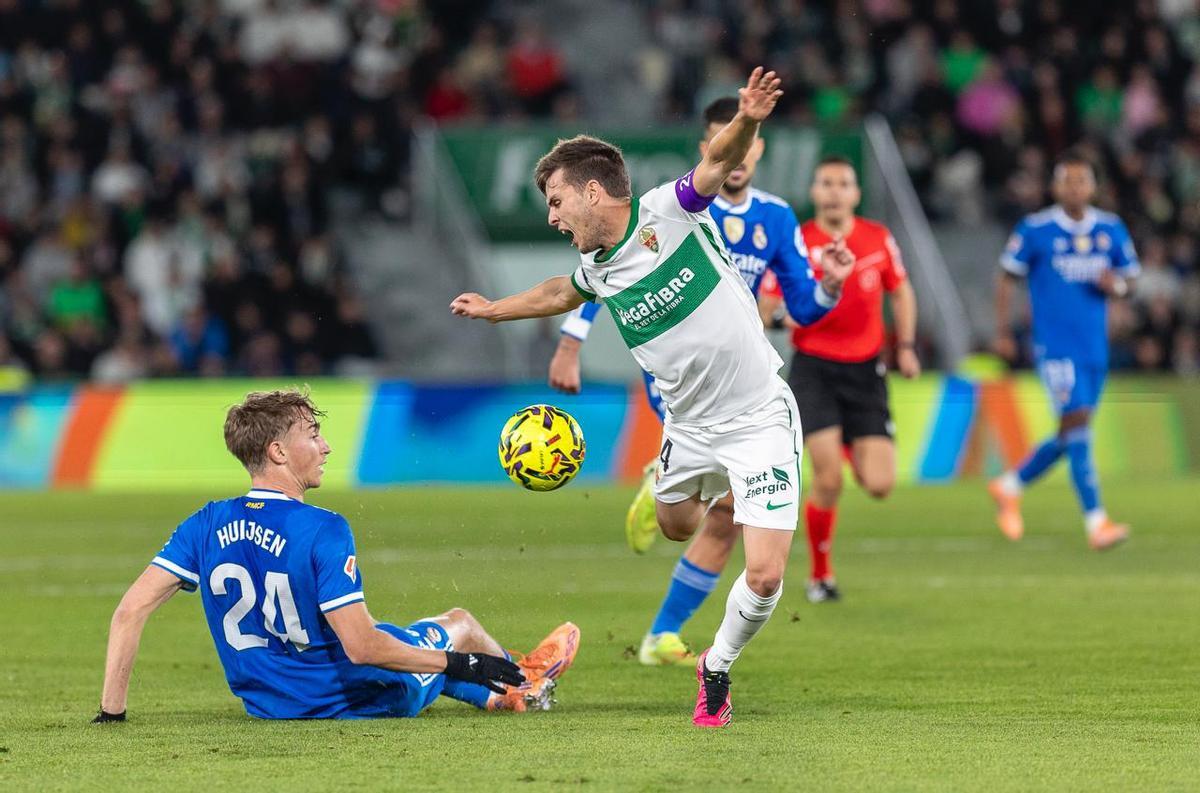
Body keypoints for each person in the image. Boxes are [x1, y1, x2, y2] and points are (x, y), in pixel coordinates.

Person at [451, 67, 853, 728]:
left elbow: (717, 160)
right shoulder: (599, 267)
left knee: (764, 576)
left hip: (758, 418)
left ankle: (716, 666)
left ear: (591, 191)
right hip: (688, 428)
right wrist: (495, 309)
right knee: (675, 526)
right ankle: (670, 485)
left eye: (556, 200)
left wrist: (748, 118)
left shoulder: (669, 209)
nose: (552, 217)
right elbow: (559, 291)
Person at [546, 96, 838, 667]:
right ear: (710, 148)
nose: (737, 153)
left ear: (758, 149)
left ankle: (663, 632)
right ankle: (668, 489)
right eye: (724, 140)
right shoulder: (681, 205)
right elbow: (603, 271)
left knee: (725, 520)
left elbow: (801, 306)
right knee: (726, 513)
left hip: (739, 381)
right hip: (685, 387)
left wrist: (829, 289)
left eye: (746, 141)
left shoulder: (776, 218)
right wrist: (571, 341)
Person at [93, 389, 579, 722]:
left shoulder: (205, 523)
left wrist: (112, 714)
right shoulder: (323, 528)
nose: (325, 446)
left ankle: (500, 697)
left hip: (269, 707)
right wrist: (460, 663)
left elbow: (129, 612)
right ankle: (526, 683)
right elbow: (363, 649)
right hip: (358, 698)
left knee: (392, 634)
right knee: (459, 624)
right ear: (279, 452)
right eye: (313, 434)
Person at [758, 155, 920, 602]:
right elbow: (765, 307)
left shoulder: (877, 238)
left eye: (842, 183)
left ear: (855, 193)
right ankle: (820, 577)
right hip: (815, 369)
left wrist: (906, 346)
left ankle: (845, 440)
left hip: (866, 371)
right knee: (828, 480)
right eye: (826, 183)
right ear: (814, 192)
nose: (834, 191)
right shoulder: (796, 242)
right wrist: (783, 318)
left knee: (880, 485)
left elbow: (901, 290)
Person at [989, 152, 1138, 550]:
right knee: (1078, 425)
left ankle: (1010, 485)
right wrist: (1002, 331)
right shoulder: (1036, 229)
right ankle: (1097, 522)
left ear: (1093, 187)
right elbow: (1006, 277)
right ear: (1055, 187)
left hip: (1094, 347)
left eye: (1081, 180)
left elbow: (1130, 279)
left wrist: (1116, 286)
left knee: (1071, 430)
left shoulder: (1110, 228)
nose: (1074, 187)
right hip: (1054, 346)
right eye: (1067, 180)